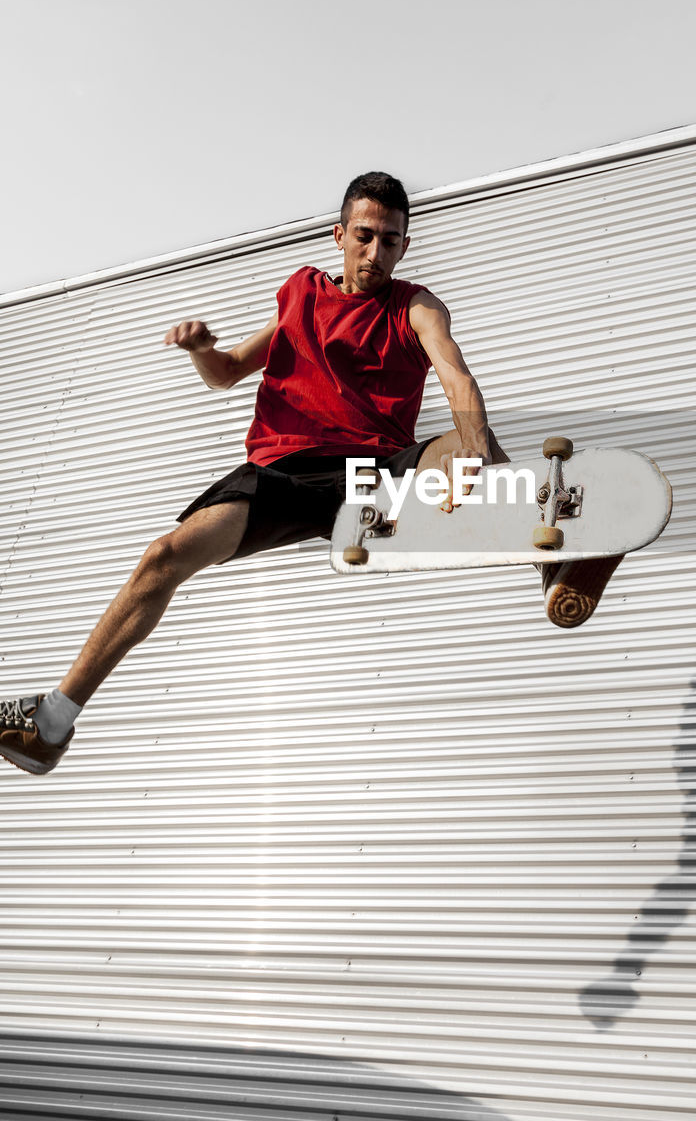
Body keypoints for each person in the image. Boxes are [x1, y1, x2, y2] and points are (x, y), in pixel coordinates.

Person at [0, 172, 620, 777]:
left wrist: (476, 454)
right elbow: (227, 372)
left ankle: (552, 560)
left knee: (465, 440)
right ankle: (51, 724)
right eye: (365, 236)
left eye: (392, 241)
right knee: (164, 556)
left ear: (405, 245)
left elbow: (457, 376)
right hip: (282, 473)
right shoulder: (300, 296)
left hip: (374, 472)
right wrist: (199, 351)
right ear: (339, 234)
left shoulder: (416, 306)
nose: (377, 253)